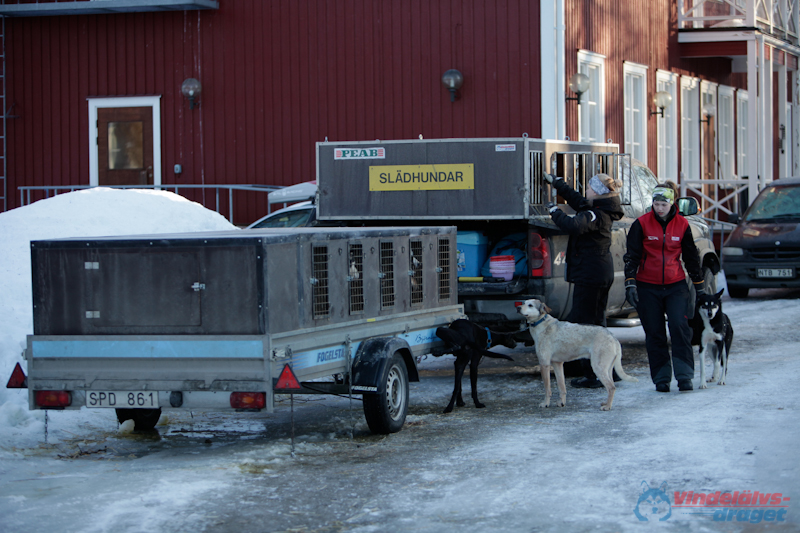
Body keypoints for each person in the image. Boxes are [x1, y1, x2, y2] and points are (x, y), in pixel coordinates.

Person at [543, 172, 624, 388]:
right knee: (597, 324)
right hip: (597, 273)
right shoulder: (599, 209)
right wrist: (558, 183)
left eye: (589, 188)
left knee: (586, 326)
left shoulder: (596, 215)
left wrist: (554, 211)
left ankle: (594, 375)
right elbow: (579, 202)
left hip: (590, 276)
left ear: (597, 192)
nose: (586, 191)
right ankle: (607, 370)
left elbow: (573, 225)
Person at [623, 181, 705, 393]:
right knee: (655, 332)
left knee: (679, 327)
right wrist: (630, 283)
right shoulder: (641, 224)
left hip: (675, 285)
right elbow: (631, 256)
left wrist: (700, 286)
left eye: (663, 204)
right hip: (647, 286)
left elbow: (691, 257)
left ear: (672, 204)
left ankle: (685, 375)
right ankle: (661, 378)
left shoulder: (683, 225)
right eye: (656, 203)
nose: (659, 208)